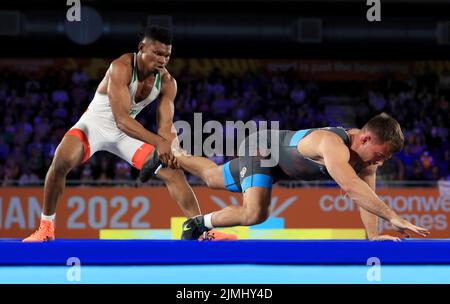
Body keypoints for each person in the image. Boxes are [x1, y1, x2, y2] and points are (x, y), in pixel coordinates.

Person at [23, 25, 233, 242]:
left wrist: (173, 147)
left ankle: (201, 231)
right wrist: (160, 142)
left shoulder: (168, 82)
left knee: (173, 172)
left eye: (167, 55)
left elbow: (165, 127)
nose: (162, 60)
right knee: (61, 160)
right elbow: (121, 119)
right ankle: (46, 228)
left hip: (126, 136)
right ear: (142, 47)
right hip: (95, 126)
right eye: (157, 53)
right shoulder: (121, 67)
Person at [140, 113, 430, 241]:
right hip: (262, 150)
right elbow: (351, 187)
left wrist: (374, 235)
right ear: (365, 139)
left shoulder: (368, 161)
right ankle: (196, 224)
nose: (380, 162)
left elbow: (368, 198)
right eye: (380, 155)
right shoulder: (331, 143)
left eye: (385, 159)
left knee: (213, 178)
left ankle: (169, 156)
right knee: (256, 213)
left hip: (276, 162)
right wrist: (394, 217)